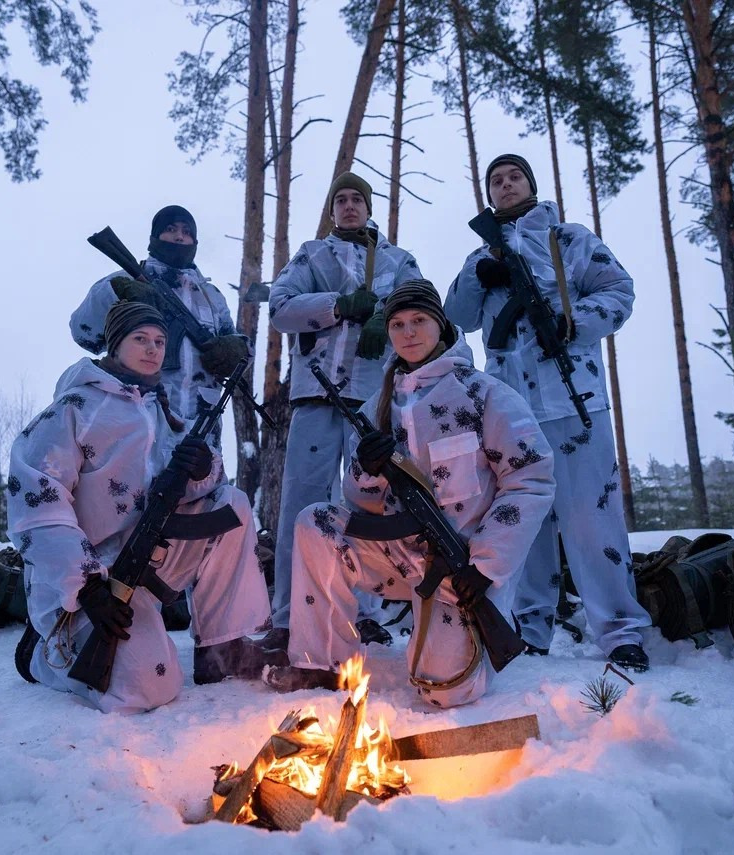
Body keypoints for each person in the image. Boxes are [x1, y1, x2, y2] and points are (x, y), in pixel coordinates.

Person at [263, 280, 555, 708]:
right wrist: (369, 470)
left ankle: (476, 627)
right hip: (395, 556)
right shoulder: (376, 406)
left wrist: (486, 566)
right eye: (397, 324)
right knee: (316, 521)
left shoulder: (484, 393)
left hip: (462, 569)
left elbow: (531, 478)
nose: (409, 332)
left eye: (419, 321)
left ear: (443, 327)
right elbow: (360, 507)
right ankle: (322, 661)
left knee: (446, 689)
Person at [9, 301, 276, 714]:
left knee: (230, 504)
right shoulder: (74, 409)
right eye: (140, 339)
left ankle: (222, 647)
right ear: (115, 344)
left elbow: (181, 490)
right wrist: (87, 586)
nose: (152, 349)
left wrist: (203, 469)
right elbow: (37, 504)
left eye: (159, 341)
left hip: (149, 559)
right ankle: (40, 656)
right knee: (148, 689)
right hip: (86, 583)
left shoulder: (160, 408)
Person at [444, 153, 652, 672]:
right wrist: (480, 275)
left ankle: (620, 629)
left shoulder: (570, 239)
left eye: (515, 176)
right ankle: (530, 626)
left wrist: (571, 322)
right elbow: (455, 319)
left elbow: (620, 292)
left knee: (591, 518)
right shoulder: (479, 255)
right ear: (488, 194)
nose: (506, 184)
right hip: (508, 408)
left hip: (571, 398)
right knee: (523, 519)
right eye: (497, 179)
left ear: (531, 185)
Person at [264, 172, 424, 651]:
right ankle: (288, 616)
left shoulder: (398, 260)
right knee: (302, 503)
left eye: (357, 198)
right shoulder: (313, 255)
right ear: (332, 209)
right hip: (316, 394)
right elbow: (280, 306)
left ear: (369, 206)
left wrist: (383, 315)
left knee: (369, 504)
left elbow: (423, 306)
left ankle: (367, 612)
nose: (350, 206)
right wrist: (340, 305)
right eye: (341, 200)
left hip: (375, 400)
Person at [70, 205, 251, 447]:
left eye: (186, 231)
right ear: (155, 237)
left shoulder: (212, 297)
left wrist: (238, 350)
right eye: (171, 229)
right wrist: (115, 293)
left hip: (202, 428)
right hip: (135, 421)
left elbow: (236, 344)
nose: (179, 236)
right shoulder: (125, 280)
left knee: (204, 484)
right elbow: (82, 333)